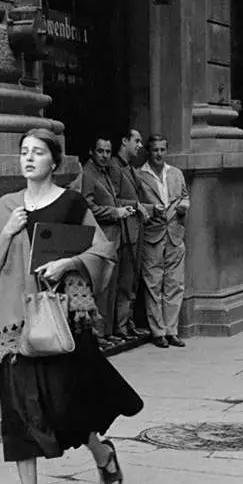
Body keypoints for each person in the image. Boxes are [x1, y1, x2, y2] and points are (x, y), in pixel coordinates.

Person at [0, 128, 143, 484]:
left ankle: (100, 450)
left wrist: (68, 264)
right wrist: (8, 231)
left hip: (61, 316)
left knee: (65, 404)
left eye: (38, 152)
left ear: (55, 161)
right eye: (24, 152)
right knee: (19, 414)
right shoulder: (6, 206)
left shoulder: (71, 203)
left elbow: (102, 249)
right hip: (14, 321)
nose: (29, 158)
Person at [80, 137, 141, 340]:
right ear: (92, 152)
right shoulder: (87, 174)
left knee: (113, 285)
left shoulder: (105, 172)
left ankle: (108, 332)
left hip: (114, 236)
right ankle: (98, 335)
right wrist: (114, 212)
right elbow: (88, 207)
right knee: (102, 287)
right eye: (100, 151)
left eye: (107, 151)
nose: (105, 156)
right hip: (101, 236)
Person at [136, 134, 190, 348]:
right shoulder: (140, 175)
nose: (159, 154)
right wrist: (150, 209)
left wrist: (185, 205)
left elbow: (185, 195)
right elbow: (136, 203)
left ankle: (171, 330)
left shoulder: (176, 173)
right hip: (152, 234)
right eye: (155, 150)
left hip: (175, 234)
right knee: (153, 284)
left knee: (175, 283)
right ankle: (157, 331)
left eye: (162, 150)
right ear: (149, 151)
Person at [112, 129, 150, 338]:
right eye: (136, 141)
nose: (139, 145)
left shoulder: (131, 168)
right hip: (124, 231)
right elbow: (113, 199)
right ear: (124, 141)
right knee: (125, 280)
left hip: (136, 230)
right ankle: (121, 325)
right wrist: (136, 204)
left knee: (133, 279)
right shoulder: (115, 167)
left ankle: (128, 322)